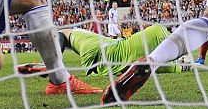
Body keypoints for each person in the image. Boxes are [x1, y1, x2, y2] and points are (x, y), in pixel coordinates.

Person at [18, 24, 191, 81]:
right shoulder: (75, 32)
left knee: (144, 63)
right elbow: (60, 33)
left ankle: (52, 65)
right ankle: (51, 65)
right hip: (108, 48)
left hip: (103, 52)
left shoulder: (84, 36)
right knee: (158, 33)